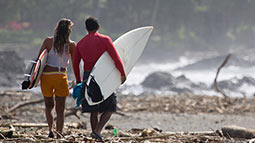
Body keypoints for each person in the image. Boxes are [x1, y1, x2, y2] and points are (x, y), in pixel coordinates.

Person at [73, 17, 126, 141]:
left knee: (93, 108)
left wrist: (79, 81)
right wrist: (122, 73)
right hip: (102, 75)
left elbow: (75, 64)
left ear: (86, 28)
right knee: (111, 106)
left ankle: (95, 134)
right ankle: (97, 131)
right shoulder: (105, 40)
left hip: (88, 76)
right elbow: (116, 58)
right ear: (98, 26)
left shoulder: (80, 43)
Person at [37, 18, 76, 138]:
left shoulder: (48, 41)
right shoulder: (71, 45)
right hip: (60, 77)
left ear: (57, 29)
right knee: (60, 109)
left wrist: (35, 79)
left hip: (46, 77)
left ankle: (50, 130)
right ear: (69, 31)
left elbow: (39, 60)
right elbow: (75, 63)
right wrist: (78, 80)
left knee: (49, 106)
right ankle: (59, 134)